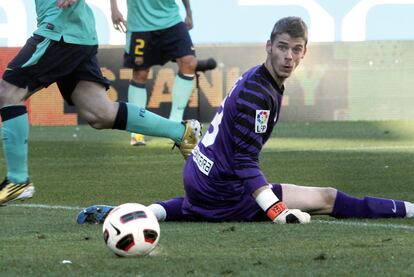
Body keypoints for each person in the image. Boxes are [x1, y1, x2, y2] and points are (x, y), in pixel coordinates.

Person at [77, 16, 414, 225]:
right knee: (326, 198)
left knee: (197, 209)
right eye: (282, 47)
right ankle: (408, 210)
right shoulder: (258, 96)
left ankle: (133, 214)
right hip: (222, 189)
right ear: (268, 46)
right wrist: (278, 212)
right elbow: (243, 162)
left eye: (297, 49)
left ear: (304, 52)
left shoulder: (257, 77)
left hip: (199, 174)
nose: (289, 56)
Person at [0, 0, 202, 205]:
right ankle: (181, 132)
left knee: (9, 92)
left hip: (60, 32)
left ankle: (18, 180)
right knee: (101, 114)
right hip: (75, 34)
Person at [111, 0, 200, 146]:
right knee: (140, 73)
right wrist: (114, 8)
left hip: (171, 20)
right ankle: (137, 130)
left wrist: (189, 12)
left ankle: (175, 123)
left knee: (189, 62)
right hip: (140, 23)